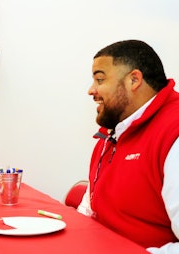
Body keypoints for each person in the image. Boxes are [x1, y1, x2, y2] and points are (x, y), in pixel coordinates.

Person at [77, 40, 179, 253]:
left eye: (99, 79)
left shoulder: (173, 132)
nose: (91, 90)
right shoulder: (112, 133)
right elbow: (89, 208)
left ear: (134, 79)